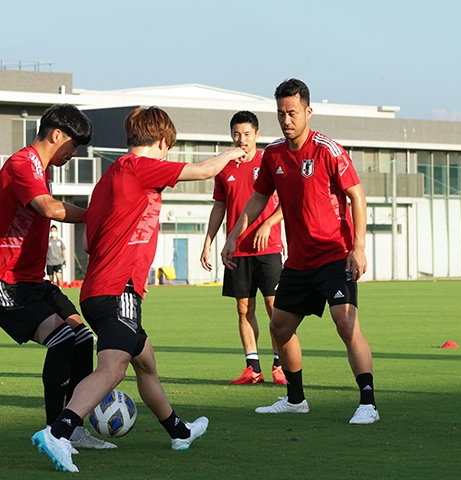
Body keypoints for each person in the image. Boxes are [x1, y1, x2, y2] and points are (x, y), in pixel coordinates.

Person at [32, 106, 247, 472]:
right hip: (120, 288)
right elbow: (204, 170)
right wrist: (235, 152)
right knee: (114, 367)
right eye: (169, 148)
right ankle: (60, 431)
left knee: (145, 363)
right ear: (162, 142)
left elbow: (88, 245)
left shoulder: (107, 179)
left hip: (98, 289)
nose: (168, 156)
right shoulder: (140, 167)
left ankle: (179, 431)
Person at [221, 79, 379, 425]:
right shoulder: (274, 154)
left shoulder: (328, 149)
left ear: (308, 111)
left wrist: (359, 246)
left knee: (346, 324)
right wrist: (234, 235)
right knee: (279, 327)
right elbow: (259, 197)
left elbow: (357, 196)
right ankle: (295, 399)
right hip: (298, 262)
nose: (286, 120)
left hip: (335, 256)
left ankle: (368, 402)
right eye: (281, 113)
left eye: (292, 112)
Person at [0, 104, 115, 451]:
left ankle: (72, 428)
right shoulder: (22, 164)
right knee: (63, 337)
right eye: (74, 145)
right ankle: (56, 431)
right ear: (56, 135)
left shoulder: (42, 169)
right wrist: (99, 216)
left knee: (81, 336)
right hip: (6, 281)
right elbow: (50, 208)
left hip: (32, 281)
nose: (74, 153)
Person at [200, 111, 286, 386]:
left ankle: (279, 364)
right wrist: (208, 241)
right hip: (237, 250)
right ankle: (253, 368)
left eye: (247, 134)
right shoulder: (225, 167)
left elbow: (288, 201)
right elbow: (219, 206)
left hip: (268, 246)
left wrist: (269, 224)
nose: (242, 139)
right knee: (243, 308)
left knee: (275, 307)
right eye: (237, 134)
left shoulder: (270, 161)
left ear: (257, 135)